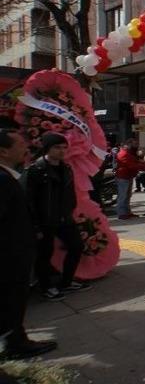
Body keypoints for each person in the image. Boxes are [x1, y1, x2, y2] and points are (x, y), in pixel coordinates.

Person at [0, 128, 57, 359]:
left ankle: (14, 339)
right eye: (20, 144)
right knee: (10, 298)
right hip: (9, 256)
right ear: (3, 151)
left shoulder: (9, 176)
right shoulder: (2, 180)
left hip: (15, 252)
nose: (26, 147)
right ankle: (13, 343)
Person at [21, 132, 91, 301]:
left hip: (64, 218)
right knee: (44, 254)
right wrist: (36, 226)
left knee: (76, 246)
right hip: (44, 221)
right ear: (47, 148)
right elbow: (28, 202)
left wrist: (70, 209)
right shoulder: (35, 170)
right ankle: (46, 287)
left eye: (64, 147)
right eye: (57, 147)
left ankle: (66, 281)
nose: (62, 151)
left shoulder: (66, 168)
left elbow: (70, 193)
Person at [115, 139, 145, 219]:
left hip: (127, 176)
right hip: (123, 177)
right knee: (123, 196)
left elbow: (135, 162)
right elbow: (132, 165)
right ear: (128, 144)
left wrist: (144, 164)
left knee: (127, 196)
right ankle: (122, 213)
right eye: (134, 144)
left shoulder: (128, 153)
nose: (136, 146)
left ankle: (127, 212)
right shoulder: (124, 154)